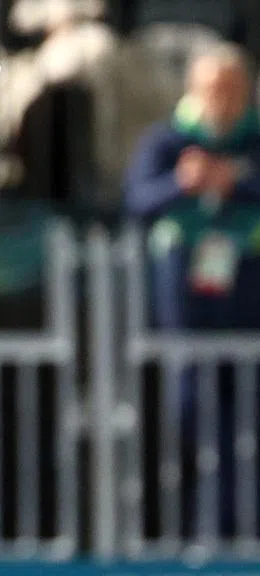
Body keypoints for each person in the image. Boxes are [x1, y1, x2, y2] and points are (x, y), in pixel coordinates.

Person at [125, 44, 260, 537]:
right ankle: (196, 533)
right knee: (193, 418)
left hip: (248, 302)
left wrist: (237, 183)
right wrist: (183, 184)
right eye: (212, 89)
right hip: (186, 307)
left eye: (232, 89)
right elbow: (137, 202)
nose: (222, 100)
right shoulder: (166, 142)